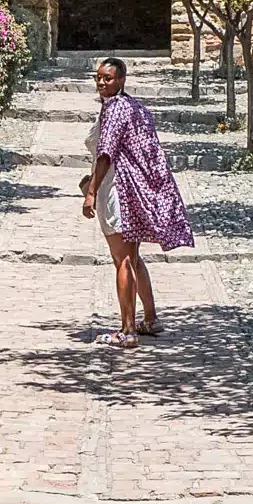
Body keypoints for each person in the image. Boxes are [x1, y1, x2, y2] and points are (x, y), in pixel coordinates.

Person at [83, 57, 194, 349]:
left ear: (121, 80)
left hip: (118, 188)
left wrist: (91, 191)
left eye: (107, 78)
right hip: (136, 189)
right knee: (133, 258)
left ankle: (128, 330)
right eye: (98, 78)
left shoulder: (116, 109)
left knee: (122, 260)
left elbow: (106, 153)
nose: (102, 83)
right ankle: (151, 319)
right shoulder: (137, 108)